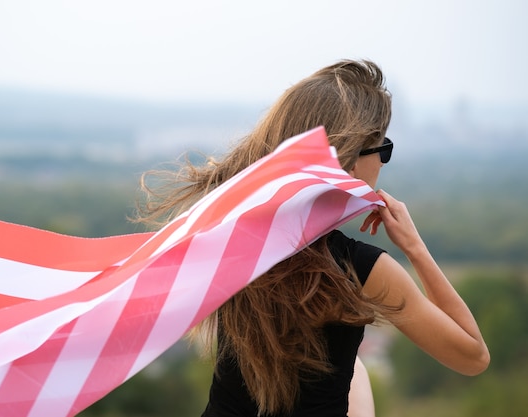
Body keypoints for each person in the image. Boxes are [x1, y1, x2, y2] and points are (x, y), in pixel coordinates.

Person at [133, 59, 490, 416]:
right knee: (358, 374)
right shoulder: (358, 269)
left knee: (357, 373)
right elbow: (472, 355)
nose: (382, 163)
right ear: (349, 162)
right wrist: (414, 247)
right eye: (382, 149)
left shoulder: (226, 238)